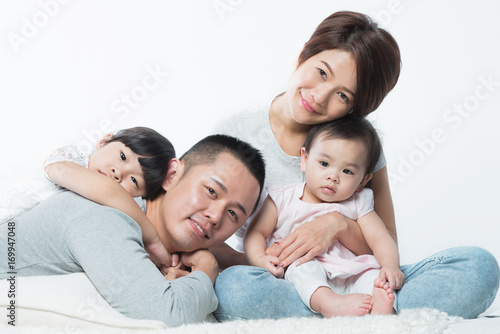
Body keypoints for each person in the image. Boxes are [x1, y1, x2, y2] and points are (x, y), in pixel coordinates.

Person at [212, 10, 499, 320]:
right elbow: (205, 231)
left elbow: (385, 242)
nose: (320, 97)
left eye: (343, 95)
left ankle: (343, 312)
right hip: (285, 280)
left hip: (356, 273)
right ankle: (351, 314)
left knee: (478, 267)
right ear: (305, 54)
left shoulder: (358, 147)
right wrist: (264, 263)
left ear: (356, 109)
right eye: (322, 72)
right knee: (235, 287)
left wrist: (337, 224)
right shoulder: (235, 134)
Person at [0, 134, 266, 327]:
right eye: (210, 191)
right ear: (172, 175)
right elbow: (169, 314)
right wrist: (207, 269)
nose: (216, 216)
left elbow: (240, 257)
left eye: (233, 214)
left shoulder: (167, 237)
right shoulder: (105, 217)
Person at [245, 116, 404, 317]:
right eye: (324, 163)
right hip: (307, 271)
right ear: (305, 159)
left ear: (363, 180)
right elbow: (256, 233)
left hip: (352, 272)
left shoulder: (358, 202)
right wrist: (260, 259)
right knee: (301, 267)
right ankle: (329, 302)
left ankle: (381, 311)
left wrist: (390, 267)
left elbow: (380, 238)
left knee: (373, 277)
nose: (333, 176)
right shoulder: (283, 197)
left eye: (347, 171)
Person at [43, 126, 176, 271]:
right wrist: (153, 239)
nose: (118, 172)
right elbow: (107, 189)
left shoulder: (114, 213)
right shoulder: (70, 158)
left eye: (134, 180)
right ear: (104, 141)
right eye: (123, 157)